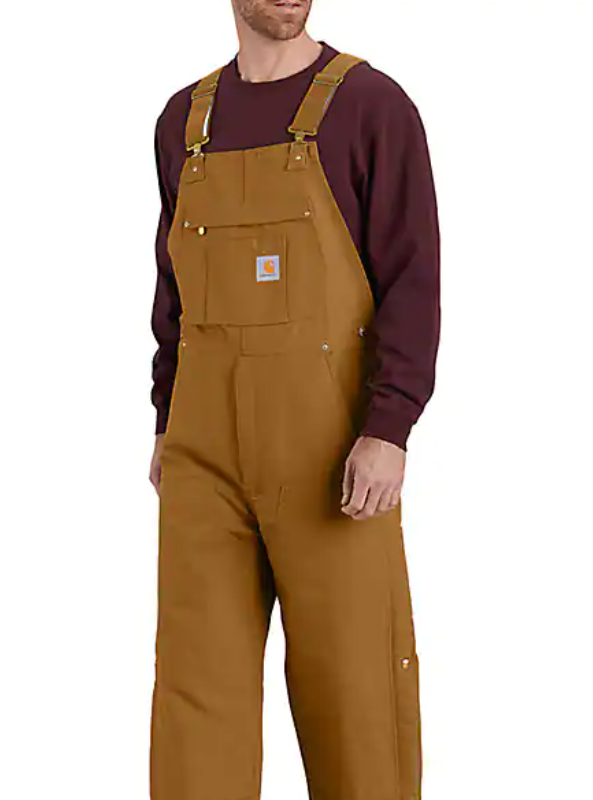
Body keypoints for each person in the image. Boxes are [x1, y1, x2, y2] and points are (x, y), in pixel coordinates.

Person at [148, 2, 440, 799]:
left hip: (331, 453)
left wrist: (389, 426)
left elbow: (412, 279)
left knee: (355, 694)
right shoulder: (185, 122)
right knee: (195, 696)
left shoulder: (371, 105)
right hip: (202, 453)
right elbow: (172, 288)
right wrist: (166, 419)